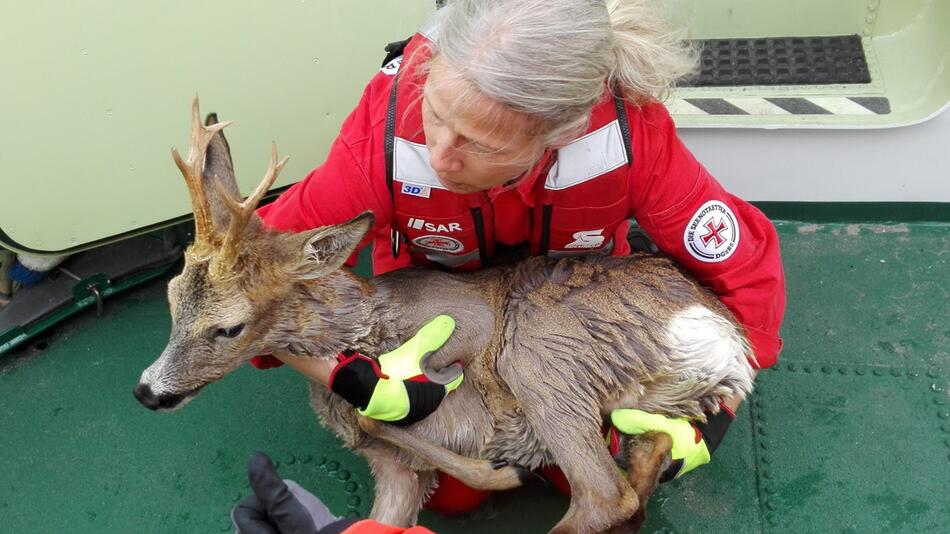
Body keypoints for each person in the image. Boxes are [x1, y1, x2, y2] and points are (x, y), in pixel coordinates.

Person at [251, 0, 785, 515]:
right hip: (440, 310)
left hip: (566, 310)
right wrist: (346, 376)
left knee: (603, 462)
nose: (440, 156)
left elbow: (749, 273)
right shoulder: (383, 137)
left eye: (480, 145)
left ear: (558, 134)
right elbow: (253, 278)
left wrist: (713, 418)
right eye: (435, 114)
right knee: (457, 492)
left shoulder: (629, 136)